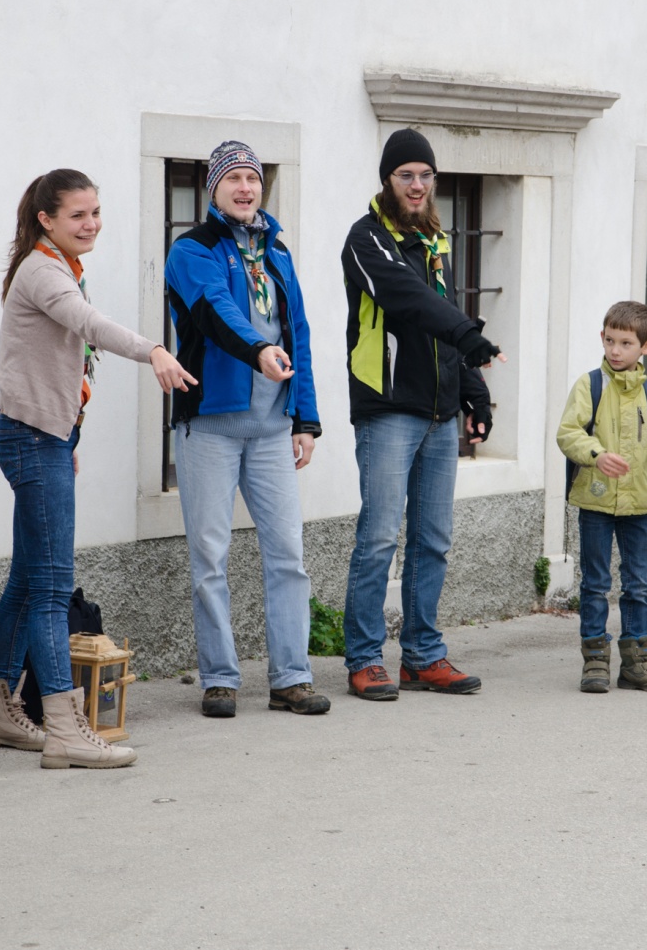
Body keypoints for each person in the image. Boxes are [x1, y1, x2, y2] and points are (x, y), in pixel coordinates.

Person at [0, 168, 195, 766]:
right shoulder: (44, 271)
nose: (91, 223)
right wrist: (152, 348)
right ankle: (66, 729)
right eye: (78, 214)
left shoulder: (56, 264)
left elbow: (53, 361)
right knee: (51, 588)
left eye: (96, 212)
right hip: (31, 439)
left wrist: (67, 431)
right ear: (46, 220)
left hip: (42, 436)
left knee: (28, 579)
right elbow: (88, 326)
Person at [165, 141, 328, 718]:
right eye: (232, 178)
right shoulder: (192, 249)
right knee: (210, 555)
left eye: (252, 179)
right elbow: (214, 312)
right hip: (209, 426)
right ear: (212, 188)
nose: (244, 188)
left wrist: (304, 418)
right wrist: (259, 348)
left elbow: (299, 334)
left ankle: (291, 677)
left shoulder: (277, 254)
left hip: (270, 429)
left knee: (288, 553)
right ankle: (220, 677)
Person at [339, 128, 503, 700]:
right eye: (405, 175)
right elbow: (410, 300)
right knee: (380, 537)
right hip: (388, 409)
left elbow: (444, 315)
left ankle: (423, 655)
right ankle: (363, 658)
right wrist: (470, 334)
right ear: (387, 180)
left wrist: (472, 389)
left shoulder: (436, 239)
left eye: (425, 176)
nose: (416, 185)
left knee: (432, 539)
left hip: (438, 413)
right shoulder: (367, 240)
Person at [557, 301, 647, 693]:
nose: (615, 350)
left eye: (626, 343)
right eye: (610, 341)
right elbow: (568, 432)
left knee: (637, 584)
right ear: (602, 339)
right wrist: (596, 455)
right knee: (595, 583)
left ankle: (636, 664)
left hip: (640, 503)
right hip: (596, 501)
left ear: (646, 348)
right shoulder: (590, 385)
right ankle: (595, 662)